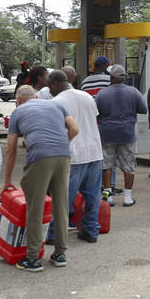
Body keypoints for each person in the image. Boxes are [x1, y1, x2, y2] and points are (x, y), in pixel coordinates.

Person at [4, 85, 77, 271]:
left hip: (40, 158)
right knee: (61, 205)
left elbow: (11, 149)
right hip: (63, 154)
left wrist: (7, 180)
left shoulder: (18, 111)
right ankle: (60, 254)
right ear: (36, 96)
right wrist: (59, 144)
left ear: (18, 100)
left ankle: (33, 258)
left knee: (35, 208)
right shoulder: (56, 105)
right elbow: (74, 129)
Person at [47, 70, 104, 244]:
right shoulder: (87, 96)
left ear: (55, 84)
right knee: (93, 196)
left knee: (63, 197)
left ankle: (53, 234)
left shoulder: (56, 102)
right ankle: (91, 230)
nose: (49, 91)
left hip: (73, 154)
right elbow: (94, 120)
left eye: (50, 87)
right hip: (94, 152)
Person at [95, 64, 148, 207]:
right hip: (127, 133)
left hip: (106, 133)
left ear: (111, 77)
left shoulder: (102, 93)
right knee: (129, 164)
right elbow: (143, 110)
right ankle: (127, 198)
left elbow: (95, 113)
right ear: (124, 77)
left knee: (106, 164)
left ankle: (108, 197)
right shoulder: (134, 92)